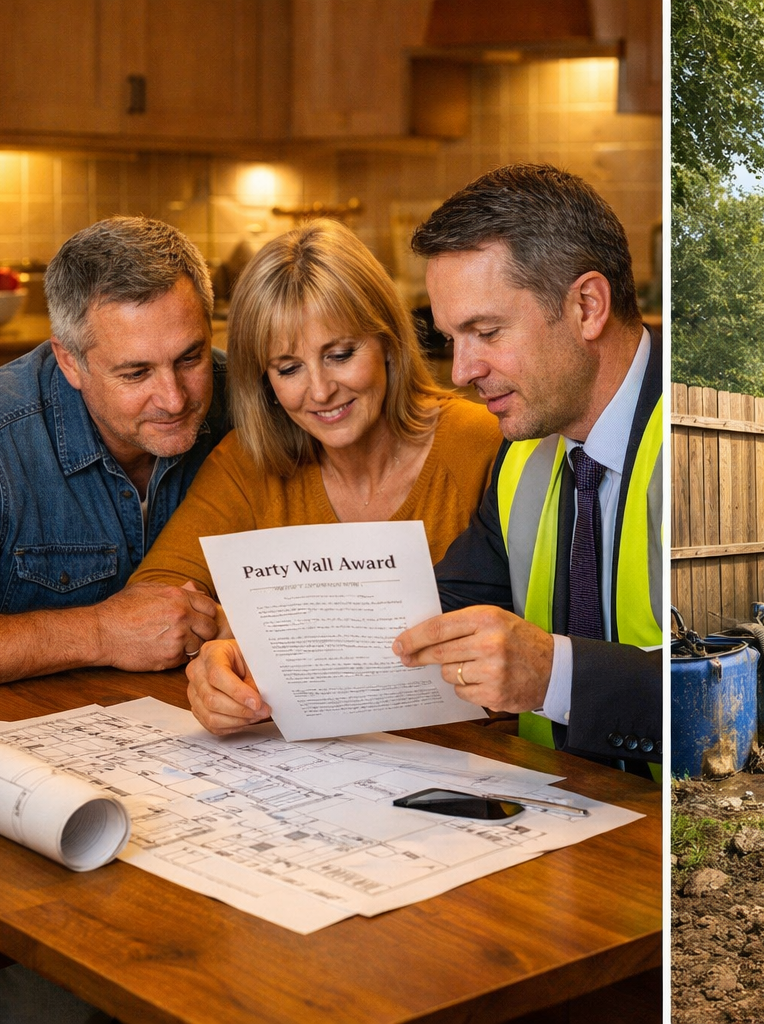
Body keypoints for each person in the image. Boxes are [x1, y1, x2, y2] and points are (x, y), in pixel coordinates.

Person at [186, 164, 662, 772]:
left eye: (486, 332)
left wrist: (552, 674)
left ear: (587, 305)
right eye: (450, 339)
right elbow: (429, 618)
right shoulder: (523, 453)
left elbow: (722, 673)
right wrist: (261, 659)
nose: (461, 371)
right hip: (564, 807)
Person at [155, 219, 503, 734]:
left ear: (387, 342)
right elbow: (160, 601)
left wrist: (259, 628)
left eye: (340, 355)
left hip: (476, 760)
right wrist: (215, 661)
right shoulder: (247, 463)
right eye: (289, 368)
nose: (319, 392)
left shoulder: (486, 443)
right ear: (264, 381)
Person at [0, 217, 226, 695]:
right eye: (136, 373)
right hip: (16, 737)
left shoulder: (251, 405)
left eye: (190, 358)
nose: (174, 399)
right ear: (70, 361)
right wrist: (101, 633)